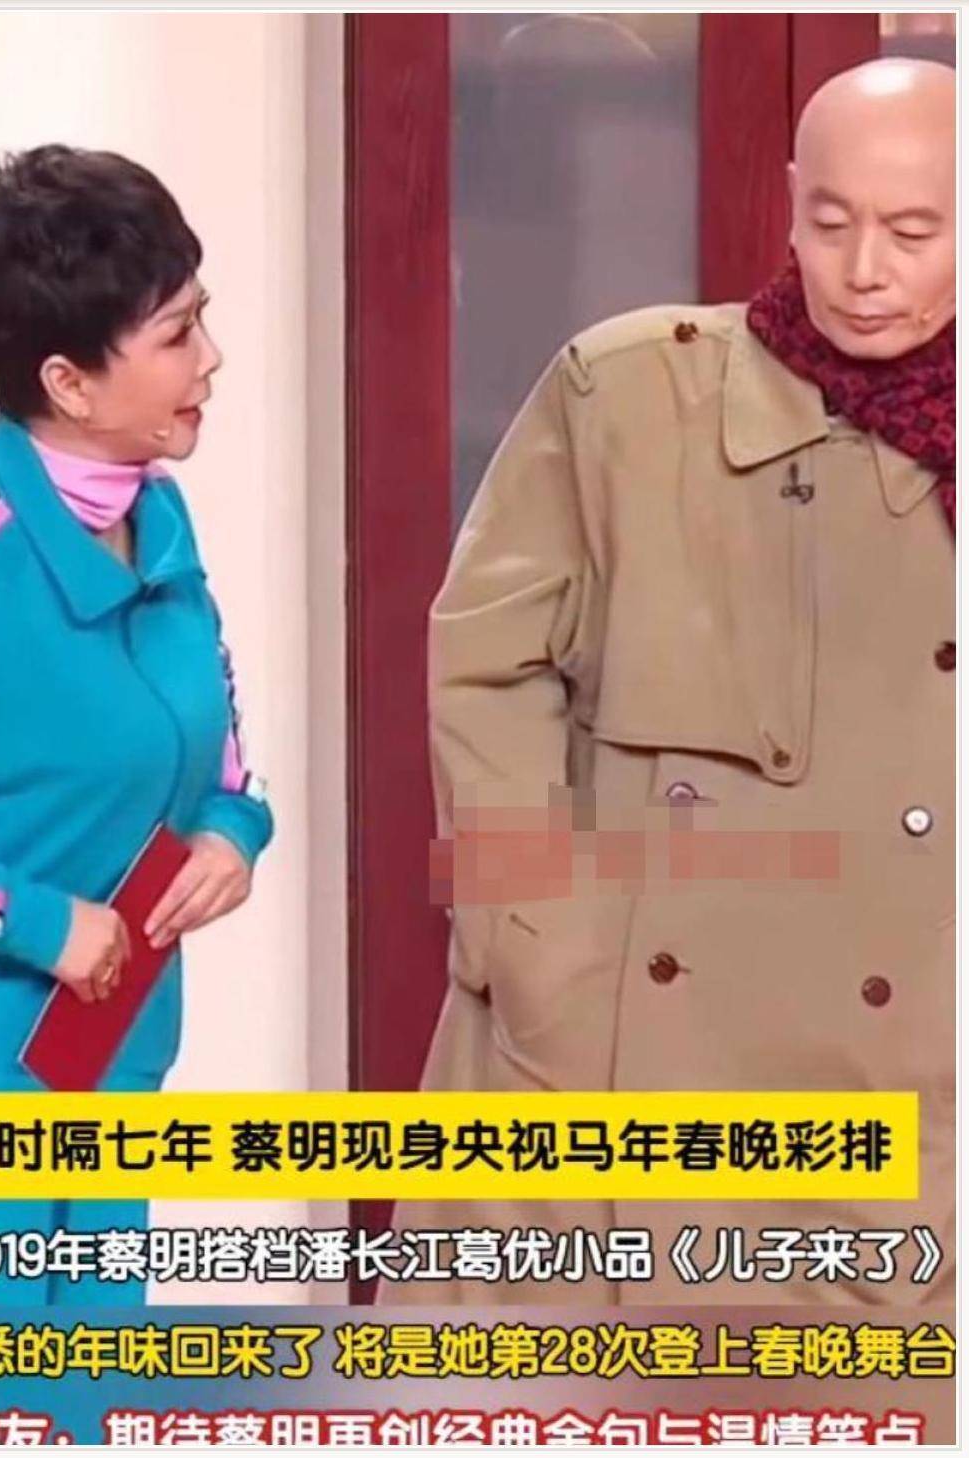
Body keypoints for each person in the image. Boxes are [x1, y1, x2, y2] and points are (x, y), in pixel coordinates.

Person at [388, 58, 955, 1308]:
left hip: (908, 1090)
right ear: (790, 201)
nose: (864, 269)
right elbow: (485, 663)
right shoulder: (630, 392)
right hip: (607, 1053)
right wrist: (531, 939)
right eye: (831, 221)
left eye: (913, 233)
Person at [0, 145, 274, 1304]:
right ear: (69, 381)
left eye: (201, 318)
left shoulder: (161, 521)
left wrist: (231, 833)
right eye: (176, 335)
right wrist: (31, 921)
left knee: (94, 1392)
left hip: (111, 1088)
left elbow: (219, 753)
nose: (210, 358)